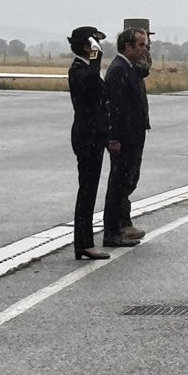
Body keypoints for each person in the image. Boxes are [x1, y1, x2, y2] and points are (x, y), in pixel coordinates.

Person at [102, 27, 150, 248]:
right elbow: (113, 107)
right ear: (127, 46)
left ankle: (122, 223)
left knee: (128, 181)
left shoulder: (129, 68)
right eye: (140, 45)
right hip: (124, 137)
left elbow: (142, 72)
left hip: (133, 134)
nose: (145, 49)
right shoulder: (119, 69)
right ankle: (113, 231)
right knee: (118, 184)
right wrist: (113, 138)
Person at [68, 25, 112, 260]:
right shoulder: (79, 69)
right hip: (88, 135)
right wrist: (96, 54)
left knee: (90, 188)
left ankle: (83, 242)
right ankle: (84, 242)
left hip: (94, 133)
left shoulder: (85, 68)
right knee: (87, 190)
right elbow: (92, 80)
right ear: (87, 46)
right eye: (95, 43)